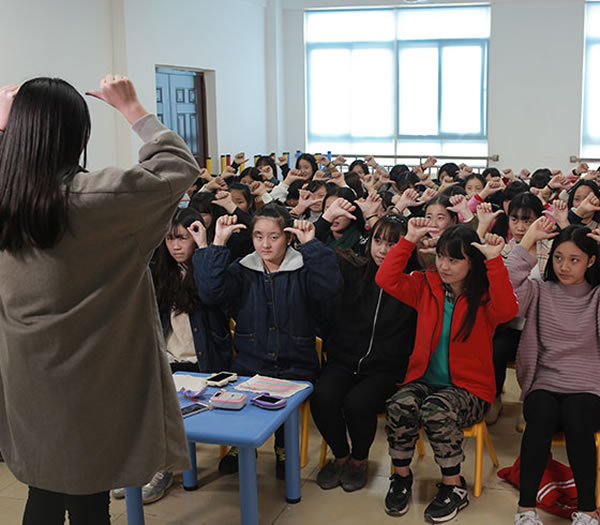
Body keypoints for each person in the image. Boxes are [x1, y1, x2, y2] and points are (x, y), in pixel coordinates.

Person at [0, 75, 197, 524]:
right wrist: (131, 107)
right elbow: (178, 166)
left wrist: (5, 124)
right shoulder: (103, 198)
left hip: (26, 378)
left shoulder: (7, 198)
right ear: (79, 137)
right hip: (95, 382)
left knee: (43, 490)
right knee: (90, 499)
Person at [375, 221, 518, 523]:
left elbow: (508, 311)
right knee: (400, 404)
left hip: (470, 389)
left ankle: (454, 486)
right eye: (440, 256)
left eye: (454, 259)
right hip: (424, 380)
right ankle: (401, 477)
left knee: (436, 410)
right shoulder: (425, 285)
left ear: (472, 262)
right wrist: (408, 240)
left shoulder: (485, 296)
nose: (444, 265)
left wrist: (494, 261)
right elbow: (385, 278)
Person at [190, 202, 343, 479]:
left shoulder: (303, 267)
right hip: (251, 361)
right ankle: (240, 444)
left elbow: (330, 288)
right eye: (258, 236)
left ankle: (283, 448)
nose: (265, 244)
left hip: (296, 362)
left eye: (274, 236)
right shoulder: (243, 268)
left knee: (284, 401)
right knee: (235, 393)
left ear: (288, 237)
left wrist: (311, 245)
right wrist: (218, 243)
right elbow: (210, 293)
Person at [310, 215, 418, 492]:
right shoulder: (352, 269)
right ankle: (340, 456)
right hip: (343, 360)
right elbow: (313, 250)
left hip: (385, 368)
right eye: (378, 241)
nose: (382, 249)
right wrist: (326, 218)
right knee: (322, 396)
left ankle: (359, 460)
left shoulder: (413, 283)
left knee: (357, 403)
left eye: (392, 244)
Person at [506, 219, 600, 525]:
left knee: (577, 417)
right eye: (558, 257)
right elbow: (507, 291)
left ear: (591, 261)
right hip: (544, 383)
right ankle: (525, 509)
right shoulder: (540, 290)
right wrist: (527, 241)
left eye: (574, 260)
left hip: (589, 388)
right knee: (540, 417)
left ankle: (587, 510)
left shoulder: (597, 296)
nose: (564, 266)